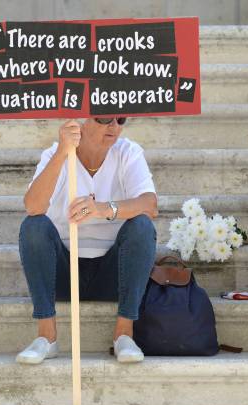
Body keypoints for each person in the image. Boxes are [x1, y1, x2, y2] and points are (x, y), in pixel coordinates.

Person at [16, 117, 158, 364]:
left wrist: (103, 209)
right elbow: (33, 206)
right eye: (104, 118)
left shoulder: (128, 152)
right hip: (63, 271)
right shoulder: (55, 153)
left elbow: (150, 205)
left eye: (120, 118)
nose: (114, 126)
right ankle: (47, 337)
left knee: (142, 225)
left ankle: (124, 334)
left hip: (112, 272)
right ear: (81, 120)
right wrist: (62, 152)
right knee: (34, 225)